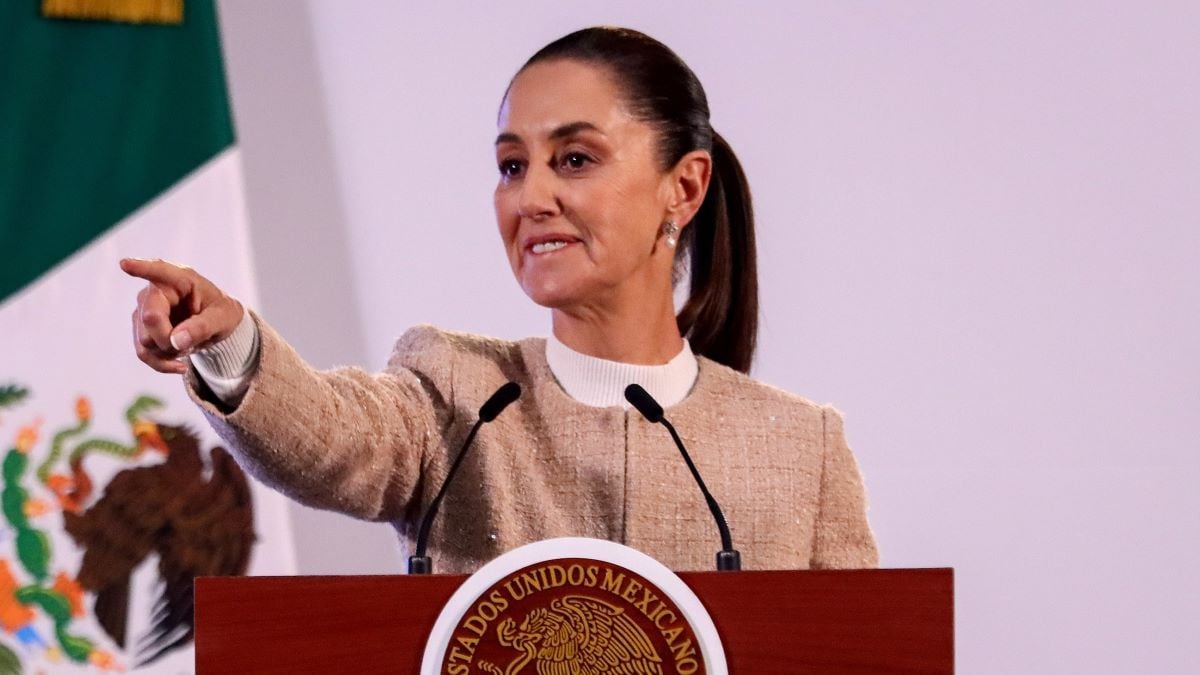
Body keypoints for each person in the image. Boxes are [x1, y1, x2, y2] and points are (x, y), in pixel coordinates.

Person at [121, 27, 878, 574]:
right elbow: (326, 436)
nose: (533, 196)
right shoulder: (458, 393)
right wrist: (226, 345)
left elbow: (861, 656)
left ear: (684, 186)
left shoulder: (801, 449)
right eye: (512, 166)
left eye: (574, 159)